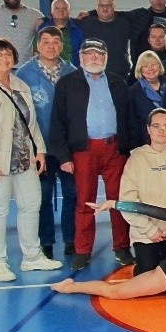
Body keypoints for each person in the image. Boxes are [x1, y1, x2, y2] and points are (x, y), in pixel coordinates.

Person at [0, 39, 63, 281]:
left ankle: (32, 257)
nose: (3, 59)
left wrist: (39, 150)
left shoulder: (20, 85)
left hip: (23, 158)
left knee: (31, 205)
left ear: (14, 59)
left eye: (7, 55)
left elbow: (31, 122)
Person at [50, 39, 133, 271]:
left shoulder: (118, 83)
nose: (94, 57)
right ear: (80, 56)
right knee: (84, 201)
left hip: (114, 149)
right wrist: (64, 157)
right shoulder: (67, 84)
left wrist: (129, 149)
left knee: (118, 200)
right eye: (90, 53)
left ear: (106, 57)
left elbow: (129, 117)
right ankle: (83, 250)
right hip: (84, 150)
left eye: (99, 53)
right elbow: (58, 122)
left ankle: (122, 247)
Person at [16, 27, 78, 258]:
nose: (51, 46)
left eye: (55, 42)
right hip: (39, 148)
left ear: (61, 46)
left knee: (72, 194)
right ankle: (47, 241)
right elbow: (20, 113)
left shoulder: (72, 72)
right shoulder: (24, 74)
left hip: (68, 148)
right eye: (45, 42)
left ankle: (71, 239)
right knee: (43, 196)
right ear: (37, 46)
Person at [119, 108, 166, 275]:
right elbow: (127, 201)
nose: (161, 130)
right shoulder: (136, 158)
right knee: (148, 275)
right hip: (145, 234)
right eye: (156, 126)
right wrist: (150, 230)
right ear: (148, 129)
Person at [78, 0, 133, 78]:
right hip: (92, 74)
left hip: (119, 74)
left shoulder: (124, 24)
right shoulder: (86, 23)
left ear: (114, 7)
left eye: (108, 5)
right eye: (102, 5)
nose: (105, 8)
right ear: (97, 8)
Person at [126, 50, 166, 150]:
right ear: (140, 69)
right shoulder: (133, 91)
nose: (150, 69)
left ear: (159, 66)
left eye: (153, 64)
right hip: (145, 144)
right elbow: (131, 123)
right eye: (145, 66)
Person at [35, 0, 84, 64]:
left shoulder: (79, 27)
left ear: (69, 11)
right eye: (57, 8)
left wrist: (89, 13)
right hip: (48, 69)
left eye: (64, 8)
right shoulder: (43, 27)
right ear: (51, 11)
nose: (60, 11)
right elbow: (36, 51)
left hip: (73, 69)